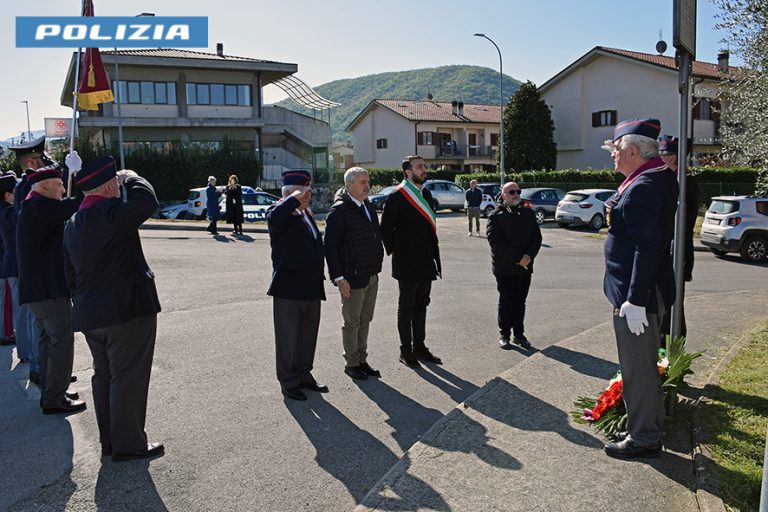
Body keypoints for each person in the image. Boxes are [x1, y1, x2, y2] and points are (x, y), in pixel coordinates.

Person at [63, 156, 164, 461]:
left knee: (105, 376)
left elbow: (68, 274)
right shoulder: (109, 210)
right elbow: (147, 203)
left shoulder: (72, 223)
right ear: (109, 186)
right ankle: (129, 444)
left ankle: (111, 441)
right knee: (128, 376)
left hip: (91, 313)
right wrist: (131, 177)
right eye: (116, 185)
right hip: (126, 313)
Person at [602, 118, 678, 459]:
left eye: (616, 150)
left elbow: (647, 248)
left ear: (633, 151)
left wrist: (634, 299)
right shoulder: (654, 178)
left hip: (640, 297)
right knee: (643, 364)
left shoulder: (642, 187)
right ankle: (645, 422)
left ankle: (645, 436)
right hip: (646, 291)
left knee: (638, 367)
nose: (613, 156)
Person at [17, 163, 85, 414]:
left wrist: (68, 175)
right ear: (44, 187)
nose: (61, 190)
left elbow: (65, 206)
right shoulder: (41, 206)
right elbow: (75, 204)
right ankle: (55, 397)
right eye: (58, 185)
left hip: (37, 290)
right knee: (61, 341)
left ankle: (51, 387)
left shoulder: (32, 204)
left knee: (48, 339)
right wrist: (78, 176)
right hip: (48, 289)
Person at [267, 170, 328, 401]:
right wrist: (294, 197)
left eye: (308, 193)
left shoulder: (307, 215)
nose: (307, 197)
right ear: (289, 194)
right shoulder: (278, 213)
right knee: (288, 339)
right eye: (303, 193)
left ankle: (304, 375)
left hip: (311, 287)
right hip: (289, 289)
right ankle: (288, 381)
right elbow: (275, 217)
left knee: (307, 335)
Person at [380, 155, 443, 368]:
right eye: (419, 167)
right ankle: (405, 350)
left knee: (421, 305)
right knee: (406, 307)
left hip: (426, 261)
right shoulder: (397, 196)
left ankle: (420, 347)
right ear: (408, 172)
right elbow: (386, 229)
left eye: (424, 166)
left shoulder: (425, 193)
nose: (424, 169)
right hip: (406, 263)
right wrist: (398, 251)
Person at [324, 167, 385, 381]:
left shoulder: (367, 206)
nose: (367, 186)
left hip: (370, 274)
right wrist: (339, 278)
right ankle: (351, 363)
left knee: (365, 319)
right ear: (349, 185)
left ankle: (361, 360)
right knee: (352, 321)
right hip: (352, 277)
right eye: (362, 182)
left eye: (367, 181)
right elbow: (330, 247)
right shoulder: (339, 211)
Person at [486, 181, 542, 350]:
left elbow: (536, 238)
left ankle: (519, 334)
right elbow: (495, 242)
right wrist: (518, 258)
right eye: (511, 192)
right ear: (503, 195)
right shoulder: (495, 216)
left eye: (518, 191)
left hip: (525, 267)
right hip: (505, 268)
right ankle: (504, 335)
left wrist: (528, 256)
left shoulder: (528, 213)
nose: (516, 194)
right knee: (506, 302)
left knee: (520, 302)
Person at [658, 134, 699, 345]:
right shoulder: (668, 180)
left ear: (673, 158)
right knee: (662, 306)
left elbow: (682, 224)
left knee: (673, 307)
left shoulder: (685, 184)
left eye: (662, 154)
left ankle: (673, 355)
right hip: (665, 252)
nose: (659, 158)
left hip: (677, 252)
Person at [0, 173, 40, 379]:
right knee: (24, 312)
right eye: (14, 192)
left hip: (11, 266)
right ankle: (27, 352)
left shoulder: (6, 211)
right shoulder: (8, 213)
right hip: (16, 266)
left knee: (22, 311)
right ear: (7, 195)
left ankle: (26, 352)